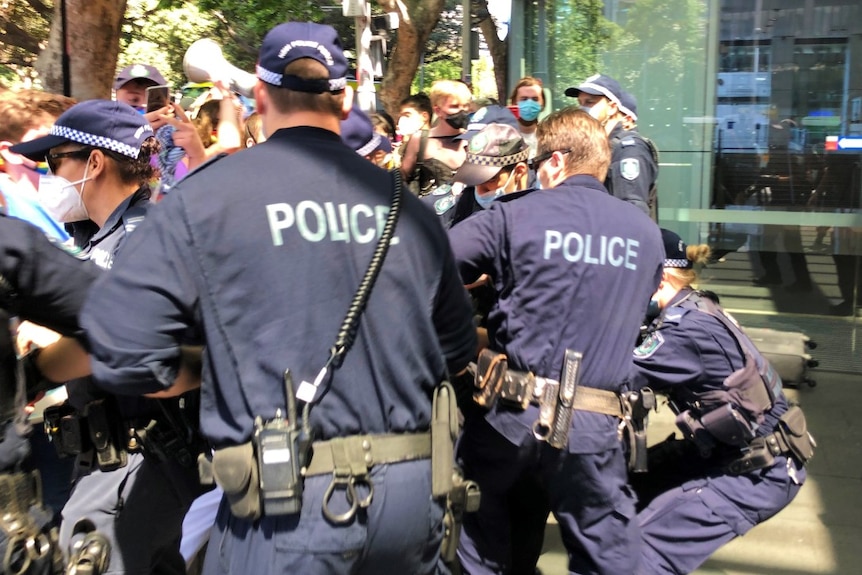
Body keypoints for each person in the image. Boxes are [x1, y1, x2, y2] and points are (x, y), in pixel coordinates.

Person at [79, 21, 477, 575]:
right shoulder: (406, 207)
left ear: (259, 96)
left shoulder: (208, 197)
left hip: (289, 506)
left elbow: (127, 352)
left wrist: (212, 360)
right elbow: (456, 350)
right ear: (343, 100)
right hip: (413, 502)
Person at [449, 108, 663, 574]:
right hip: (595, 428)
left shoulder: (513, 217)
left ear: (555, 162)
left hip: (509, 419)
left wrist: (468, 342)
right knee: (606, 556)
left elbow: (429, 265)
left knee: (478, 542)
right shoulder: (647, 236)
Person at [11, 99, 206, 575]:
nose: (48, 176)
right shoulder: (107, 238)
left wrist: (37, 365)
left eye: (56, 161)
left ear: (94, 162)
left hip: (137, 464)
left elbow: (126, 340)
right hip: (123, 463)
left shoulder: (139, 241)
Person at [629, 229, 812, 575]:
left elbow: (615, 372)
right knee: (628, 490)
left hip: (756, 472)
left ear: (661, 278)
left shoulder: (685, 331)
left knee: (639, 551)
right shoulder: (698, 305)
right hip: (735, 452)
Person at [566, 74, 660, 221]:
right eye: (580, 103)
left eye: (590, 102)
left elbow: (632, 215)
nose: (583, 109)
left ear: (612, 108)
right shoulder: (600, 146)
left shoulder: (629, 150)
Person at [0, 89, 76, 241]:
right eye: (43, 142)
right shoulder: (6, 212)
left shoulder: (80, 196)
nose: (62, 151)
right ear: (9, 152)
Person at [400, 79, 472, 196]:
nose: (462, 111)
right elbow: (402, 177)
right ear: (438, 110)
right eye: (454, 106)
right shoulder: (420, 140)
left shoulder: (474, 139)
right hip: (428, 211)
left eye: (465, 106)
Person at [509, 76, 545, 158]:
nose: (529, 104)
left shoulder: (550, 137)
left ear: (543, 104)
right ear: (514, 102)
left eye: (535, 99)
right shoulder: (504, 136)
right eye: (524, 99)